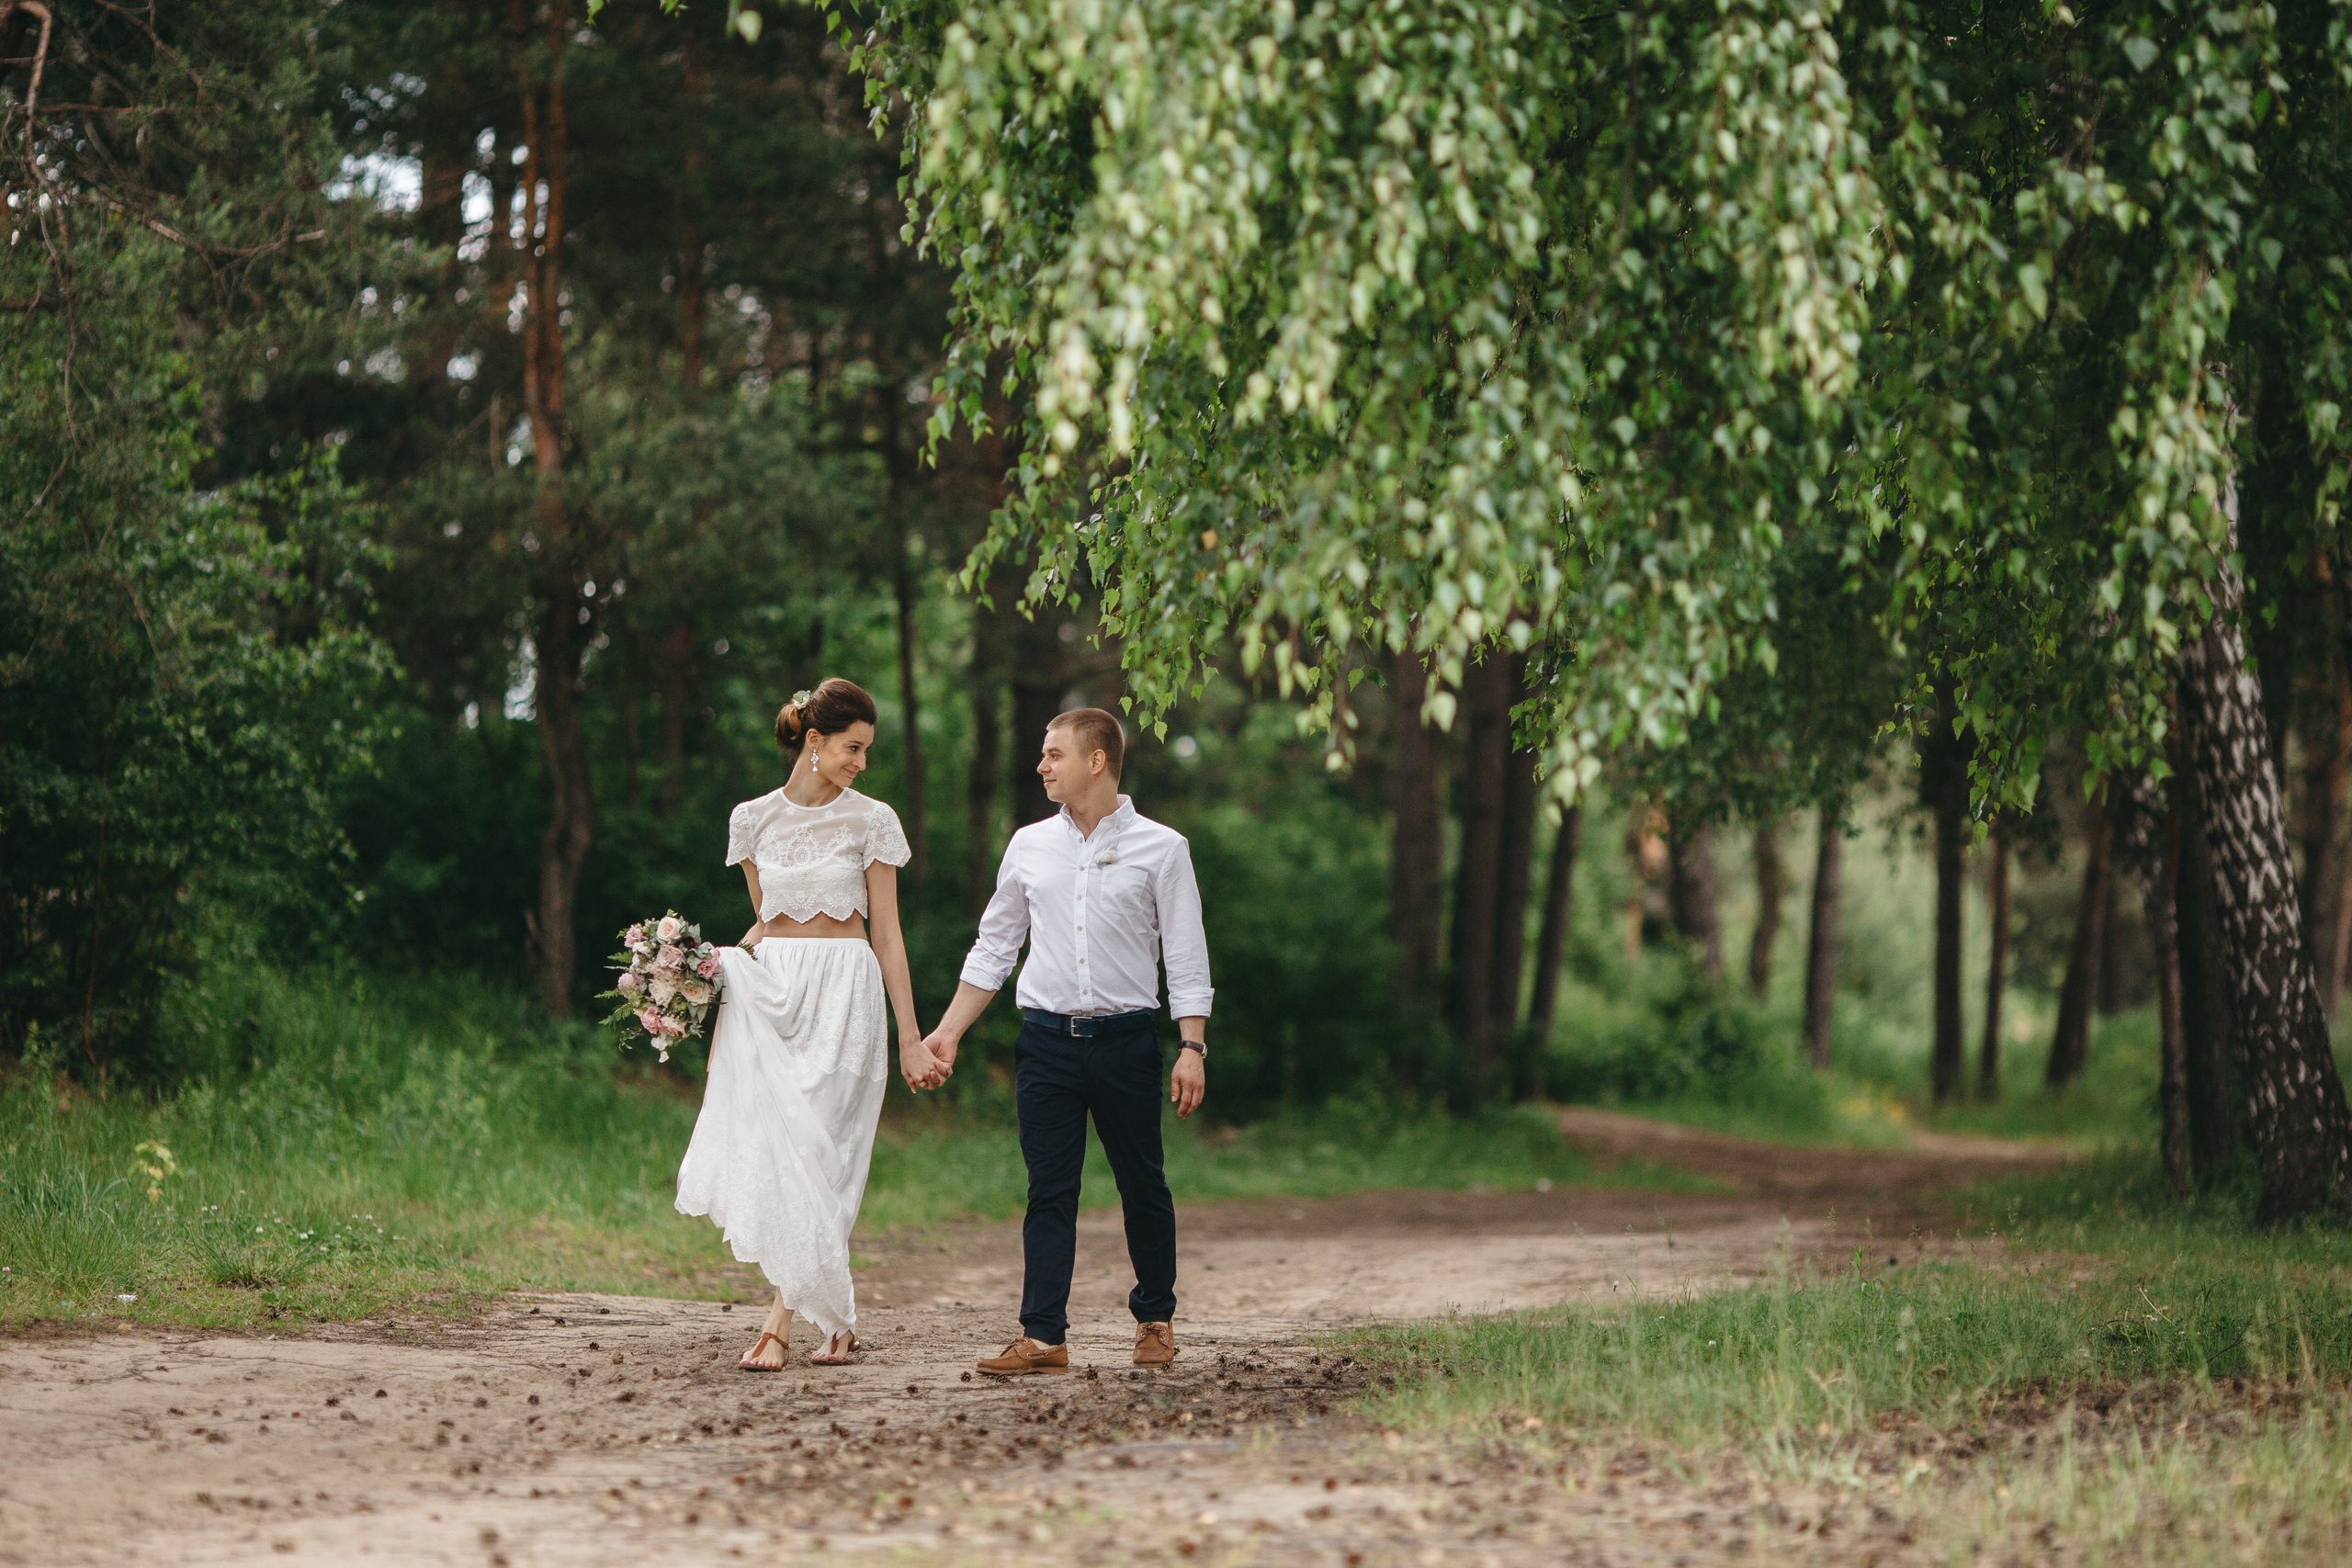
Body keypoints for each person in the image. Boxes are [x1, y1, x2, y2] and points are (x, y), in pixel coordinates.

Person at [922, 707, 1213, 1374]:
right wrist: (949, 1031)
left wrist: (1192, 1046)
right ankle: (1043, 1334)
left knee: (1142, 1184)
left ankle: (1155, 1319)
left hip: (1126, 1043)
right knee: (1049, 1189)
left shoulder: (1163, 848)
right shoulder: (1028, 845)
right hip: (1046, 1043)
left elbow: (1186, 953)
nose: (1041, 765)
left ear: (1096, 760)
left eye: (1054, 754)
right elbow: (995, 947)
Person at [674, 678, 942, 1371]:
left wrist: (910, 1037)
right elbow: (764, 923)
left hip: (846, 992)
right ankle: (837, 1319)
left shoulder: (872, 821)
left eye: (868, 750)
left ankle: (779, 1322)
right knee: (782, 1150)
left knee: (826, 1153)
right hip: (774, 993)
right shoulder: (752, 820)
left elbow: (887, 934)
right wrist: (696, 975)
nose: (862, 762)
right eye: (853, 748)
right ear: (814, 741)